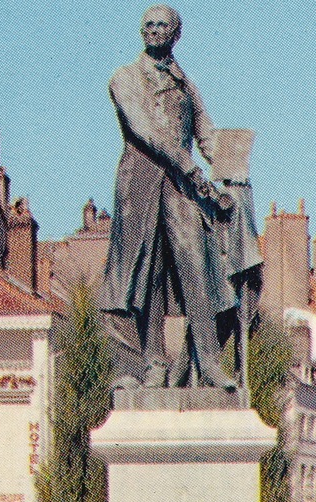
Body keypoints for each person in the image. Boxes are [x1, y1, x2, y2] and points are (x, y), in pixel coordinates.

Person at [99, 4, 237, 389]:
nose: (155, 31)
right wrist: (186, 162)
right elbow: (142, 128)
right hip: (141, 182)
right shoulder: (124, 77)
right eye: (149, 26)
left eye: (163, 26)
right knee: (147, 273)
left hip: (180, 186)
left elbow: (206, 134)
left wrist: (231, 171)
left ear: (177, 35)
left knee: (196, 263)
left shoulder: (185, 84)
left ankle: (208, 360)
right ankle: (153, 363)